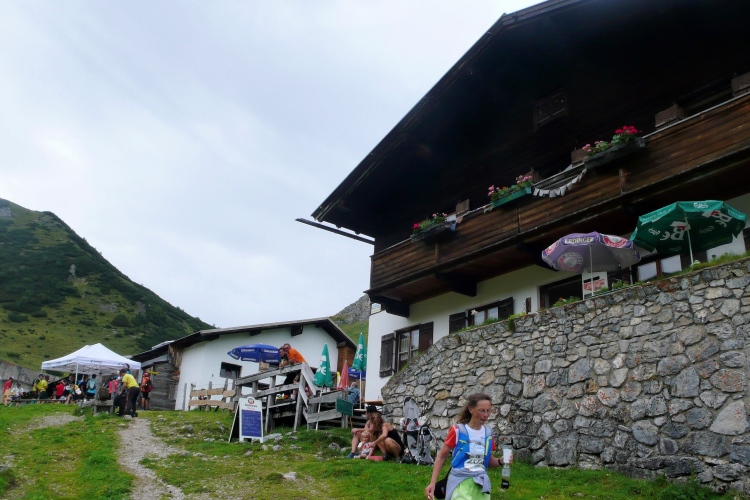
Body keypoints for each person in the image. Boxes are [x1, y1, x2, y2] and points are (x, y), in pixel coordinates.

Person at [425, 393, 509, 500]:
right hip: (460, 483)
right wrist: (432, 483)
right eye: (482, 410)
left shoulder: (488, 433)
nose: (486, 415)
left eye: (488, 411)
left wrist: (501, 461)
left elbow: (489, 461)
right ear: (471, 410)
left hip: (481, 485)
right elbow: (441, 456)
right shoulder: (458, 431)